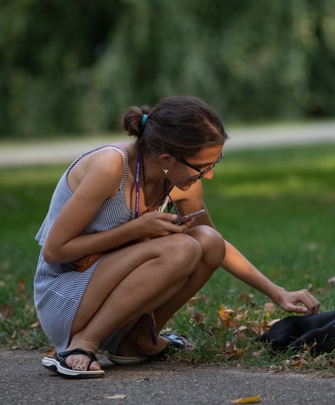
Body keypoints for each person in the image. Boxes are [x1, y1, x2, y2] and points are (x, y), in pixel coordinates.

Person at [35, 95, 320, 378]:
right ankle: (84, 344)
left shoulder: (180, 182)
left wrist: (277, 292)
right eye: (202, 167)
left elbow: (216, 246)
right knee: (181, 248)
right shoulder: (110, 166)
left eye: (214, 163)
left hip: (115, 308)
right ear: (167, 159)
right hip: (66, 301)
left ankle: (137, 340)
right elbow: (55, 250)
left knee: (206, 241)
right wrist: (137, 229)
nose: (208, 176)